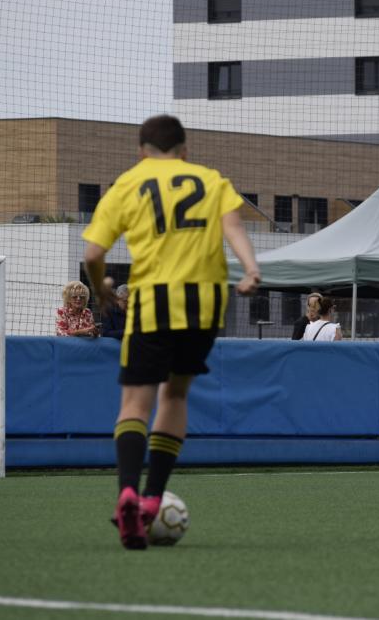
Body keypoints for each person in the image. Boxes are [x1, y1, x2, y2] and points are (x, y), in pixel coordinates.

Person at [83, 114, 261, 550]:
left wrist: (100, 287)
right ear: (185, 149)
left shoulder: (128, 183)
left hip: (151, 303)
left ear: (142, 150)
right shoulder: (210, 179)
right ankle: (150, 501)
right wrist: (252, 267)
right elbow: (233, 227)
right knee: (176, 396)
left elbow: (92, 253)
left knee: (135, 402)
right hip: (204, 305)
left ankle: (127, 490)